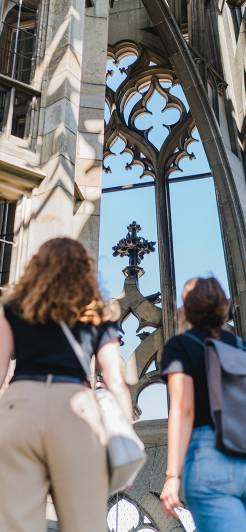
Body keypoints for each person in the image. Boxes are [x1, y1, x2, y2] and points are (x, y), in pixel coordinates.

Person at [0, 237, 132, 532]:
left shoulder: (13, 309)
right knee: (85, 524)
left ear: (37, 268)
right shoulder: (97, 313)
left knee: (13, 525)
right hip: (76, 410)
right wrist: (124, 440)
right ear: (85, 271)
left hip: (21, 405)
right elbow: (114, 379)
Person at [160, 276, 246, 532]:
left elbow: (184, 408)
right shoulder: (240, 348)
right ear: (223, 306)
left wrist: (172, 476)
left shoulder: (180, 346)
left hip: (209, 457)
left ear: (185, 309)